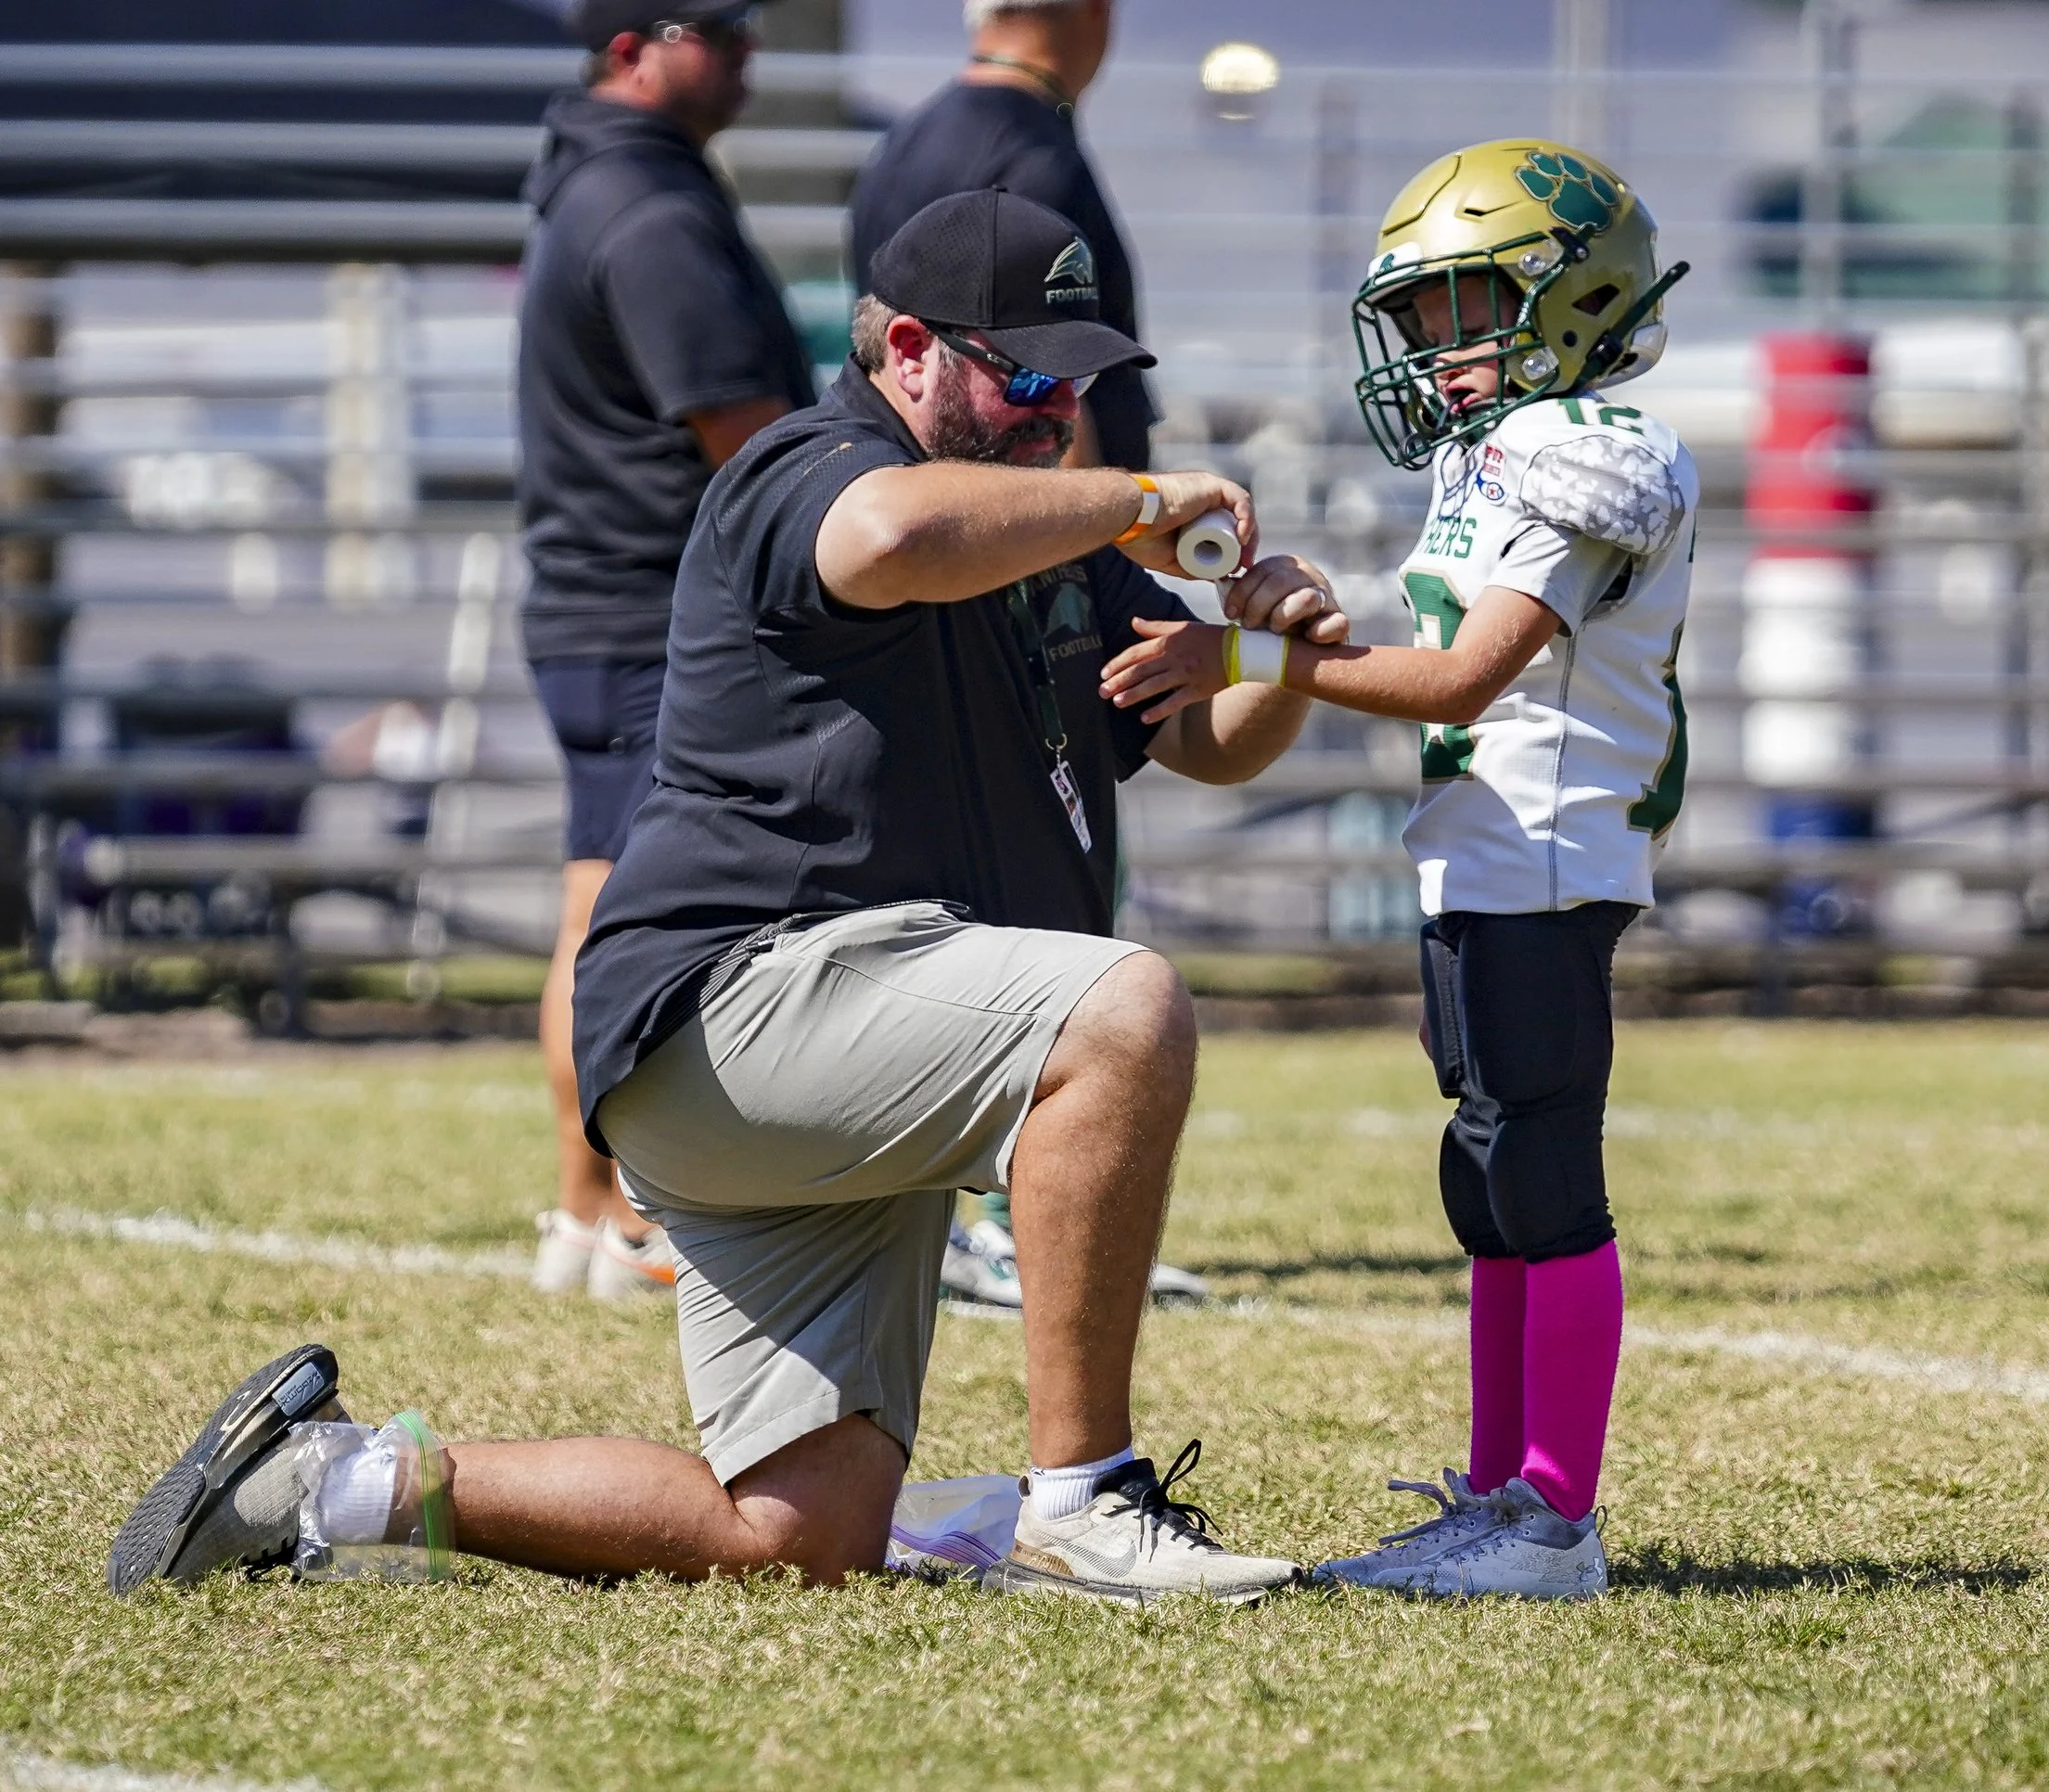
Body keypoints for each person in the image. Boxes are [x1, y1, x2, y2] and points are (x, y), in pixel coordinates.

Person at [109, 190, 1346, 1606]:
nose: (1055, 411)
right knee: (1125, 1008)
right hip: (742, 1006)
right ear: (906, 347)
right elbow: (886, 539)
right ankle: (1083, 1499)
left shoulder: (1037, 529)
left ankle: (330, 1482)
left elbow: (1200, 743)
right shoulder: (804, 465)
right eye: (1027, 374)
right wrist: (1133, 501)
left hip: (849, 1037)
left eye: (1079, 383)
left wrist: (1267, 655)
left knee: (799, 1534)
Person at [1102, 140, 1693, 1600]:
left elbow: (1460, 683)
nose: (1440, 346)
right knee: (1487, 1179)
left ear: (1572, 296)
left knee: (1543, 1177)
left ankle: (1553, 1519)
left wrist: (1236, 655)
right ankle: (1501, 1496)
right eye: (1423, 316)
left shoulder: (1589, 448)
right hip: (1489, 855)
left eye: (1465, 308)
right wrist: (1301, 624)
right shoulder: (1499, 452)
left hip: (1549, 854)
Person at [847, 0, 1200, 1304]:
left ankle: (967, 1208)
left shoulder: (909, 140)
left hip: (961, 565)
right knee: (1031, 900)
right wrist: (1109, 547)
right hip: (1011, 576)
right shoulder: (1030, 152)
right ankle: (989, 1210)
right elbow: (1035, 404)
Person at [519, 0, 819, 1299]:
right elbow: (747, 441)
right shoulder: (647, 208)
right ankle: (610, 1216)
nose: (749, 52)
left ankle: (593, 1212)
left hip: (609, 605)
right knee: (623, 914)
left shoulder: (608, 180)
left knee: (604, 893)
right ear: (633, 44)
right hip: (650, 614)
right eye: (722, 28)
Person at [849, 0, 1150, 475]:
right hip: (1020, 524)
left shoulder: (906, 141)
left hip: (925, 494)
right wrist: (1082, 538)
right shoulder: (1036, 158)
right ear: (1096, 10)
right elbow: (1048, 372)